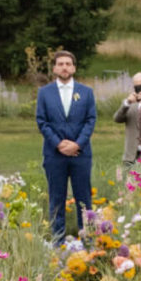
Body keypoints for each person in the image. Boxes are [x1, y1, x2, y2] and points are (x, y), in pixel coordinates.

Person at [36, 48, 96, 241]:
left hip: (80, 154)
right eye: (60, 64)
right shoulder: (45, 93)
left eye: (68, 64)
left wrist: (77, 144)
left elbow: (90, 120)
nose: (64, 67)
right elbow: (42, 121)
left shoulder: (86, 92)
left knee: (84, 199)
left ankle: (87, 239)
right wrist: (58, 143)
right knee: (56, 199)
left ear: (74, 68)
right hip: (55, 155)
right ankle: (58, 240)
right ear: (54, 68)